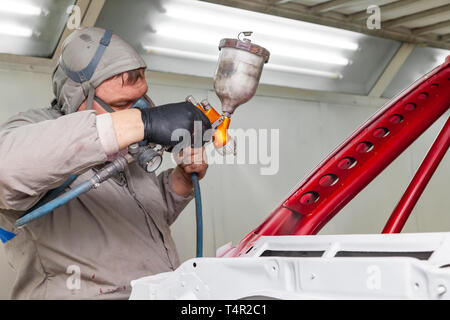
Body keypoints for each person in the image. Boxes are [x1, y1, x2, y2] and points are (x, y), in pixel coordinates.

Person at [0, 27, 211, 299]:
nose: (138, 110)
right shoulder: (38, 128)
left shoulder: (125, 150)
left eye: (141, 98)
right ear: (80, 99)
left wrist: (180, 181)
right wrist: (141, 123)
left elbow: (135, 220)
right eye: (123, 103)